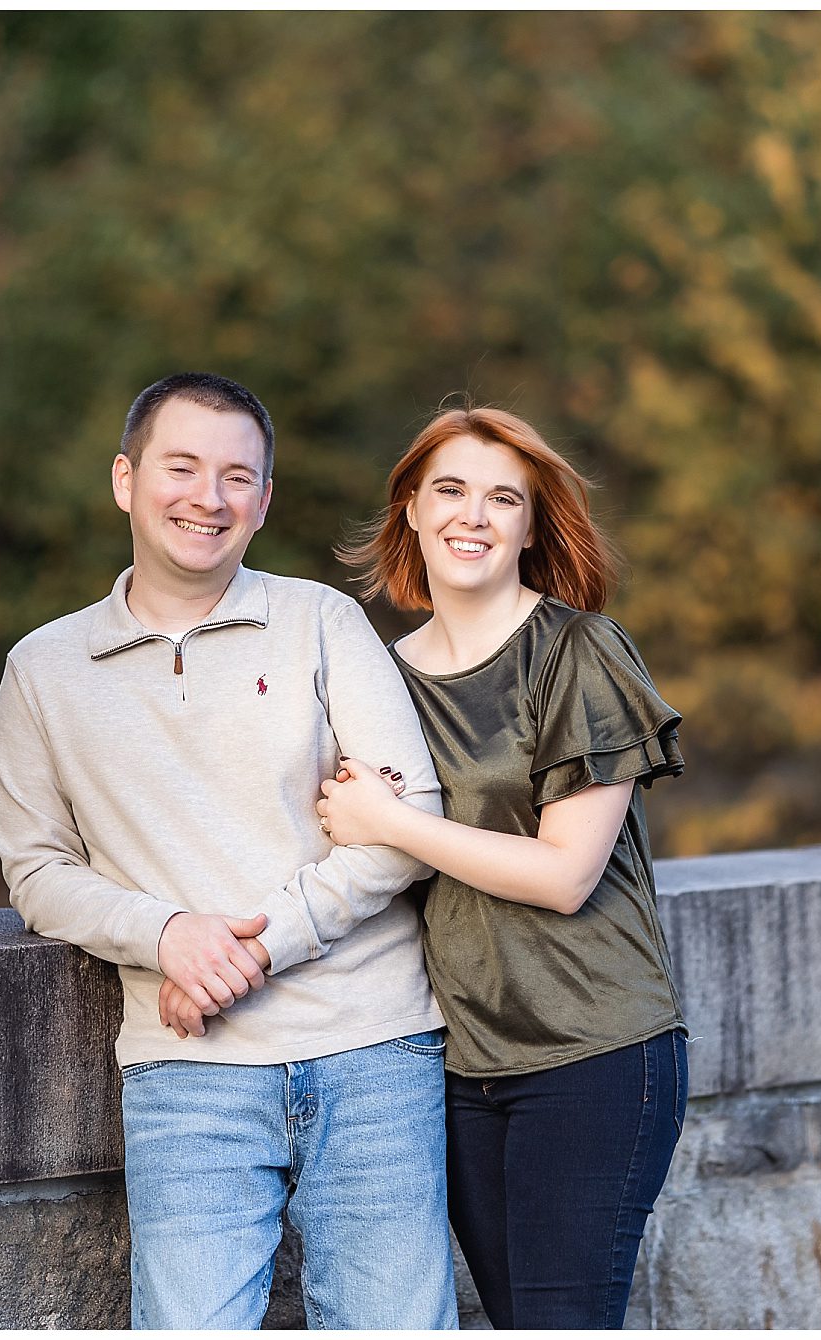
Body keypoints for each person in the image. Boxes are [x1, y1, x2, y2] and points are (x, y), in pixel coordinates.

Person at [0, 372, 458, 1330]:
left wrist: (247, 948)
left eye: (237, 476)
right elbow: (36, 870)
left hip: (375, 1049)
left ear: (264, 500)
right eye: (183, 467)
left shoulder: (322, 622)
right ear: (126, 480)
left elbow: (410, 823)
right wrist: (168, 935)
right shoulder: (43, 670)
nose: (208, 497)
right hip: (187, 1066)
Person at [319, 404, 689, 1330]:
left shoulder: (576, 651)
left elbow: (566, 874)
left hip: (595, 1052)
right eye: (449, 490)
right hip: (458, 1063)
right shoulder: (380, 677)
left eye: (502, 499)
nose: (471, 516)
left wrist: (392, 821)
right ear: (410, 508)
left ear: (531, 525)